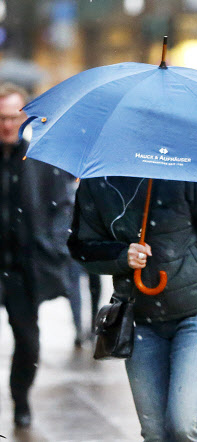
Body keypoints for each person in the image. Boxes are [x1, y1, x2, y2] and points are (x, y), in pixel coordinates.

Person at [67, 177, 197, 441]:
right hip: (140, 319)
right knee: (156, 433)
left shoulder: (184, 173)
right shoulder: (97, 183)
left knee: (186, 425)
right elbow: (82, 248)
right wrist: (122, 256)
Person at [0, 82, 78, 428]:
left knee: (28, 342)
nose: (7, 125)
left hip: (22, 268)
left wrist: (52, 243)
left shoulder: (40, 159)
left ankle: (20, 400)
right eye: (1, 118)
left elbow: (62, 206)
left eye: (13, 118)